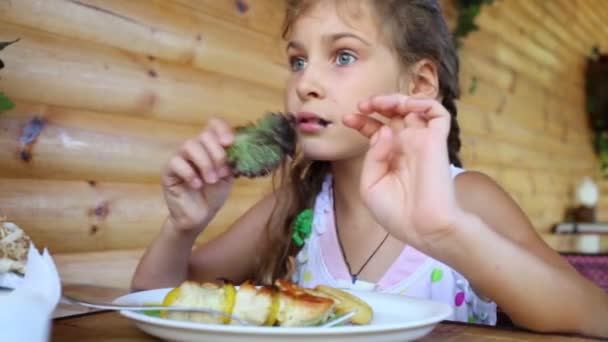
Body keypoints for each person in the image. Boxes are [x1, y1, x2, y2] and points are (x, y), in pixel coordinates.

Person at [132, 0, 608, 336]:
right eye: (297, 60)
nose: (306, 83)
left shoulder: (468, 199)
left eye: (342, 55)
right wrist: (182, 227)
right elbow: (158, 297)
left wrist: (448, 233)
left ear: (419, 83)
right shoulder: (294, 207)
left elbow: (595, 315)